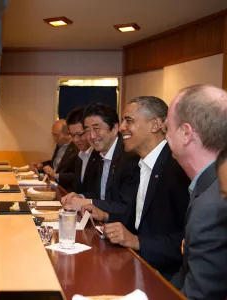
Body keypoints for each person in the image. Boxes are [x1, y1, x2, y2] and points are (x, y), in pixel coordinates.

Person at [83, 96, 190, 279]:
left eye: (129, 121)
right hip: (138, 266)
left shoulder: (176, 167)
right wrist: (106, 215)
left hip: (166, 277)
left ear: (155, 125)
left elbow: (187, 241)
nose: (122, 127)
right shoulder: (143, 164)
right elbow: (140, 219)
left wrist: (136, 241)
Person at [167, 85, 227, 299]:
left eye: (167, 128)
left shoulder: (211, 206)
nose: (165, 138)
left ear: (185, 133)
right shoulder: (209, 185)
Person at [61, 103, 139, 214]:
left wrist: (88, 202)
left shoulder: (130, 157)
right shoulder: (98, 156)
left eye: (97, 128)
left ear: (115, 128)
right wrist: (80, 196)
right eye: (87, 130)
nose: (92, 136)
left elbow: (126, 208)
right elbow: (100, 194)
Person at [57, 107, 98, 192]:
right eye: (72, 135)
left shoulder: (99, 156)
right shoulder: (80, 155)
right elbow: (77, 189)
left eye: (80, 134)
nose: (76, 140)